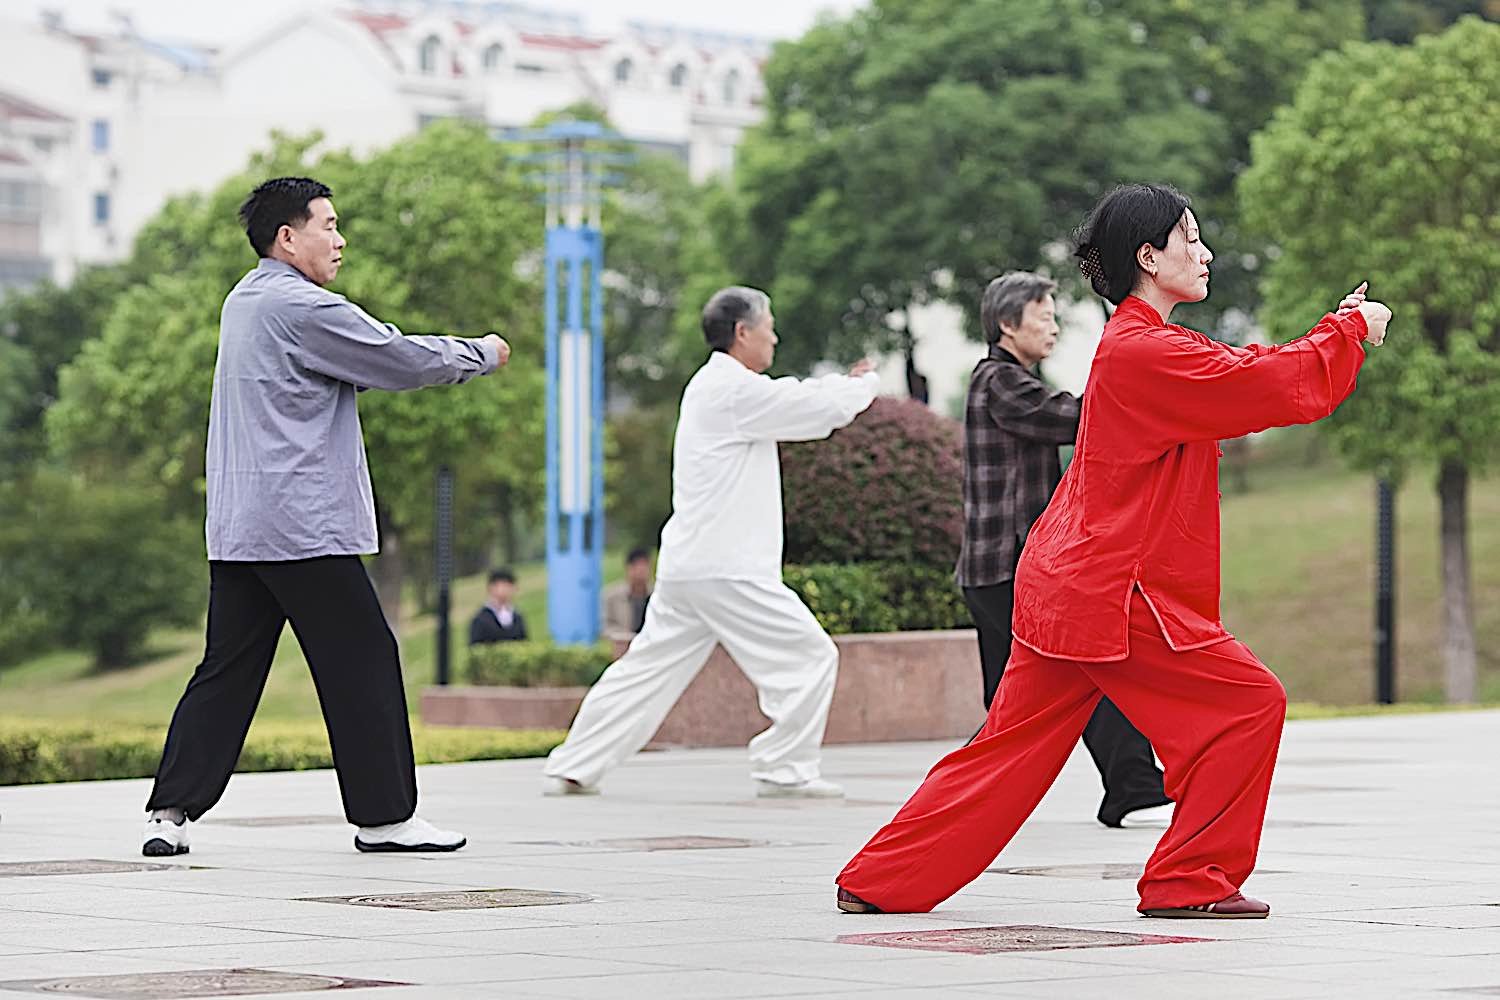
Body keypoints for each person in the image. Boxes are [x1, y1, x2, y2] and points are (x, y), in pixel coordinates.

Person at [836, 183, 1390, 919]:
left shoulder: (1147, 342)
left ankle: (877, 879)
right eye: (1190, 239)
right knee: (1249, 704)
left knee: (1005, 751)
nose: (1206, 253)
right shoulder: (1144, 350)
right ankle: (1189, 882)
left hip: (1068, 581)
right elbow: (1267, 386)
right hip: (1109, 589)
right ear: (1148, 255)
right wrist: (1349, 332)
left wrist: (1335, 329)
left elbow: (1244, 366)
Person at [141, 177, 511, 858]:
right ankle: (386, 817)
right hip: (301, 524)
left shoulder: (245, 301)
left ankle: (170, 811)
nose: (339, 241)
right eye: (328, 226)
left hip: (241, 525)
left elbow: (346, 367)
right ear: (288, 237)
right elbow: (396, 356)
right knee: (364, 658)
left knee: (228, 667)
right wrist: (480, 354)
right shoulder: (302, 306)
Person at [542, 286, 878, 799]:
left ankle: (576, 762)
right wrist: (863, 384)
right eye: (768, 326)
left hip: (690, 567)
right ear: (742, 333)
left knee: (645, 672)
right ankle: (784, 767)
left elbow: (795, 398)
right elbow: (812, 407)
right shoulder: (732, 390)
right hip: (727, 568)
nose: (775, 336)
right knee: (810, 657)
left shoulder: (714, 388)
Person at [959, 271, 1168, 828]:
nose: (1053, 326)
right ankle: (1133, 787)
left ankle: (968, 804)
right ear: (1007, 324)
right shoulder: (999, 381)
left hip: (1000, 568)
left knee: (1015, 698)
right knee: (1083, 673)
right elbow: (1075, 417)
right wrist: (1138, 392)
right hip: (1004, 565)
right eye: (1043, 316)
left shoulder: (1007, 379)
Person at [602, 548, 653, 638]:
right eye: (638, 566)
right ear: (628, 568)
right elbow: (604, 625)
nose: (641, 571)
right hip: (623, 644)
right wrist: (625, 636)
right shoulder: (611, 595)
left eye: (645, 566)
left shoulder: (656, 595)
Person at [469, 568, 527, 644]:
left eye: (509, 586)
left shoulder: (517, 617)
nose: (505, 589)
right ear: (491, 587)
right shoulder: (481, 619)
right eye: (502, 585)